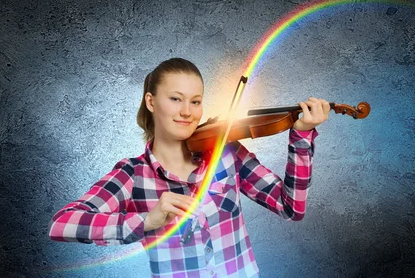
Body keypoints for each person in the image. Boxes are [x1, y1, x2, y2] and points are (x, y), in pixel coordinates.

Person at [48, 57, 330, 278]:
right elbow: (63, 223)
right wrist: (147, 221)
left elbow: (290, 207)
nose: (187, 111)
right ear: (151, 101)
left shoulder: (226, 152)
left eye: (195, 101)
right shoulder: (133, 175)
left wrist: (302, 136)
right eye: (175, 99)